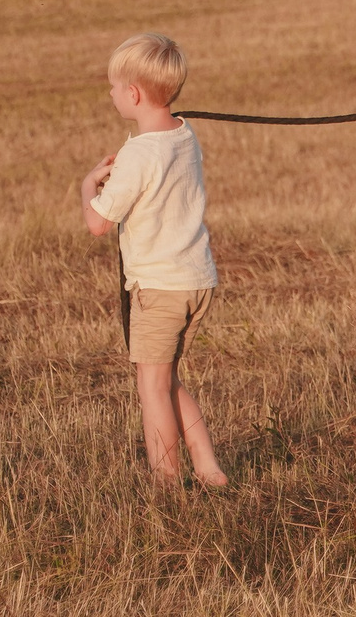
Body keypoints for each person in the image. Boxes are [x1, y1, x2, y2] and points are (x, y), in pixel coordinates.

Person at [79, 32, 227, 488]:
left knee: (151, 389)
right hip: (196, 280)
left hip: (159, 288)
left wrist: (89, 185)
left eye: (113, 86)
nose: (110, 93)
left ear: (134, 94)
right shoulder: (184, 134)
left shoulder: (139, 154)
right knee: (167, 378)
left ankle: (166, 483)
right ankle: (208, 468)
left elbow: (99, 224)